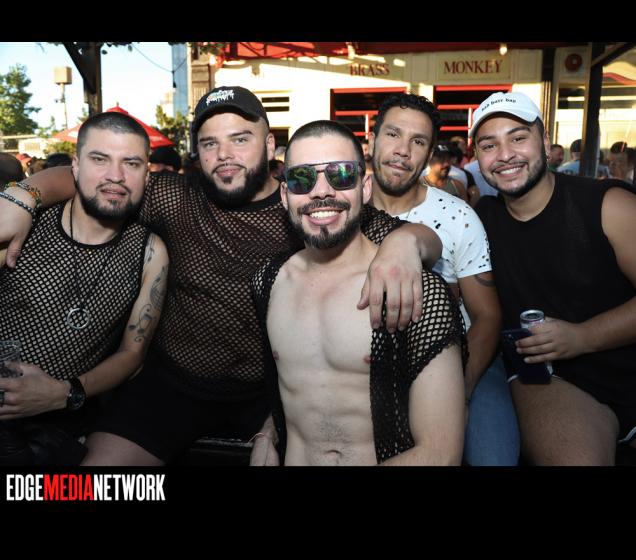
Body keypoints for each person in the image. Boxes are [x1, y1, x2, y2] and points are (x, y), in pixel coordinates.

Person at [0, 86, 442, 466]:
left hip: (266, 395)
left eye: (240, 139)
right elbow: (100, 178)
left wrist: (407, 244)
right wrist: (24, 195)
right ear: (197, 153)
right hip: (172, 387)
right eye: (209, 143)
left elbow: (422, 239)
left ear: (269, 145)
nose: (224, 154)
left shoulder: (307, 203)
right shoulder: (175, 197)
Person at [251, 120, 466, 465]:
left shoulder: (415, 290)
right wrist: (267, 433)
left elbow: (441, 454)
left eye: (341, 175)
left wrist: (408, 240)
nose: (321, 192)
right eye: (303, 179)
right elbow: (293, 391)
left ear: (364, 188)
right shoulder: (269, 282)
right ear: (285, 195)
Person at [471, 91, 636, 465]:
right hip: (554, 382)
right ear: (478, 158)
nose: (505, 154)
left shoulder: (606, 204)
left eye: (518, 137)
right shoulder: (481, 219)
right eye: (489, 145)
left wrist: (583, 336)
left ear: (545, 143)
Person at [0, 111, 168, 465]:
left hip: (65, 427)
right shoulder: (24, 226)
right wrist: (22, 197)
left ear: (146, 175)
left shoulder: (150, 252)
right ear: (75, 167)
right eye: (99, 159)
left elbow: (132, 354)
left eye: (131, 163)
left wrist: (65, 393)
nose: (115, 176)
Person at [367, 92, 519, 466]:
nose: (403, 151)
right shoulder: (342, 207)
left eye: (418, 141)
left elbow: (487, 316)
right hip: (373, 365)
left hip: (464, 358)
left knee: (492, 458)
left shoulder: (458, 217)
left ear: (429, 154)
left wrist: (458, 392)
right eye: (393, 134)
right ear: (372, 140)